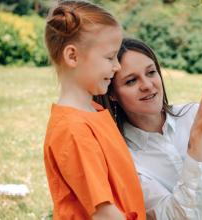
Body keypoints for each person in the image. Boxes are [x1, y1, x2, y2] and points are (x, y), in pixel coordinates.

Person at [95, 38, 202, 220]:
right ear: (111, 93)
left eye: (151, 72)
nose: (147, 85)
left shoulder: (192, 115)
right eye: (131, 81)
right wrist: (197, 138)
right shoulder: (123, 157)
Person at [42, 2, 145, 219]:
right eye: (110, 57)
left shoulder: (94, 110)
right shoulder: (73, 129)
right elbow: (103, 213)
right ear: (72, 56)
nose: (117, 67)